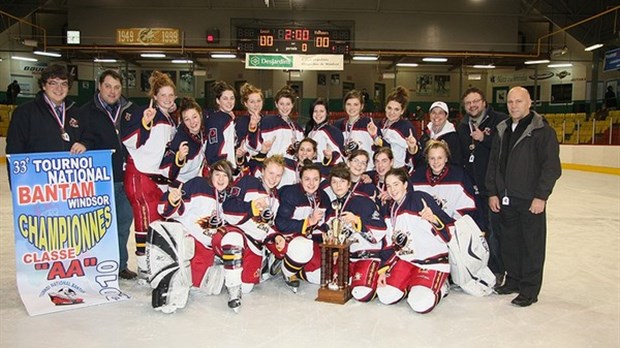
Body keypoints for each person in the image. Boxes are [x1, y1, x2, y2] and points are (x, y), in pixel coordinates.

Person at [485, 86, 561, 307]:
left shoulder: (542, 131)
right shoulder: (502, 129)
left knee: (531, 246)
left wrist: (541, 196)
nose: (514, 106)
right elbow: (494, 164)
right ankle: (514, 280)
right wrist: (493, 192)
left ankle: (529, 289)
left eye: (519, 101)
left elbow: (551, 168)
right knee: (510, 243)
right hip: (507, 199)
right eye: (510, 102)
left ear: (529, 103)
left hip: (530, 201)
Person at [78, 69, 137, 279]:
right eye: (108, 86)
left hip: (127, 180)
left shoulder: (131, 110)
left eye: (117, 87)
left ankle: (120, 265)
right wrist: (82, 143)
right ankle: (98, 265)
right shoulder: (85, 112)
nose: (113, 91)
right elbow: (82, 137)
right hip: (101, 181)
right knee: (99, 227)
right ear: (99, 86)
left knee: (122, 226)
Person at [121, 70, 178, 279]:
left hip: (155, 177)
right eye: (162, 95)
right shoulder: (146, 113)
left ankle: (152, 261)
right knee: (144, 221)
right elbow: (130, 139)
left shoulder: (168, 118)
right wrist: (144, 123)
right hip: (140, 174)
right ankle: (144, 265)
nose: (167, 99)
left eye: (171, 95)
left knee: (155, 220)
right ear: (154, 96)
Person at [376, 167, 454, 314]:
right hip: (406, 259)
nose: (392, 189)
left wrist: (433, 219)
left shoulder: (419, 198)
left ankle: (442, 286)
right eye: (389, 185)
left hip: (430, 261)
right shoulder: (389, 209)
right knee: (385, 295)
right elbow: (388, 241)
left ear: (405, 184)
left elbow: (449, 233)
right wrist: (383, 269)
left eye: (396, 184)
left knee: (419, 303)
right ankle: (412, 283)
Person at [457, 87, 508, 284]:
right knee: (475, 229)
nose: (472, 105)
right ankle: (476, 265)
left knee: (495, 230)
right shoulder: (462, 126)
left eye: (476, 101)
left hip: (492, 188)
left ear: (484, 102)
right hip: (472, 188)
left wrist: (484, 139)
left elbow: (506, 146)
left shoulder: (499, 120)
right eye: (468, 103)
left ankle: (497, 268)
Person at [324, 164, 386, 302]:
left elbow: (381, 229)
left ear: (349, 184)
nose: (338, 185)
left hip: (367, 255)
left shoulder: (363, 202)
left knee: (361, 294)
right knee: (332, 287)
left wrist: (357, 221)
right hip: (346, 257)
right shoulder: (332, 206)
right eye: (334, 182)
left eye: (342, 181)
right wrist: (334, 251)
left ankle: (368, 278)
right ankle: (353, 279)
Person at [7, 64, 86, 165]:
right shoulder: (24, 112)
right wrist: (18, 179)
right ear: (44, 85)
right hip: (37, 177)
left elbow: (89, 136)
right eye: (53, 83)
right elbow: (14, 149)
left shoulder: (77, 112)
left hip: (68, 176)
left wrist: (85, 143)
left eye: (64, 84)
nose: (59, 88)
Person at [275, 162, 332, 293]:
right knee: (302, 247)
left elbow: (322, 224)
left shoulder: (324, 197)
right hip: (285, 238)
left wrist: (325, 235)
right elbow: (281, 224)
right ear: (300, 179)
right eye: (307, 179)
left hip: (308, 240)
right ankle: (287, 272)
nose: (311, 183)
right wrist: (307, 222)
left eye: (315, 179)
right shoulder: (291, 193)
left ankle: (293, 265)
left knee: (321, 276)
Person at [409, 140, 481, 226]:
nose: (436, 162)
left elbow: (467, 208)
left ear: (446, 158)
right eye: (432, 158)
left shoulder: (459, 177)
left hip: (452, 229)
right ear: (427, 159)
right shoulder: (416, 177)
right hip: (425, 230)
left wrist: (451, 226)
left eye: (440, 158)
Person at [367, 86, 420, 170]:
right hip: (380, 169)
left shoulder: (406, 127)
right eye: (389, 108)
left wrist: (412, 147)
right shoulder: (380, 124)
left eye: (396, 109)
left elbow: (414, 153)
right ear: (385, 107)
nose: (392, 112)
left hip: (398, 171)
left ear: (402, 111)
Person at [160, 97, 207, 183]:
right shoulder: (181, 139)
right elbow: (165, 171)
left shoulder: (204, 128)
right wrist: (179, 159)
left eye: (194, 117)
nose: (192, 122)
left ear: (200, 114)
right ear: (183, 122)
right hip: (178, 186)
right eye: (187, 119)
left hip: (195, 182)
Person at [255, 85, 303, 159]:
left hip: (291, 167)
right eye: (281, 104)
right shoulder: (267, 122)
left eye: (288, 104)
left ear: (292, 105)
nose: (285, 107)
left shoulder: (297, 128)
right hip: (272, 166)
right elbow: (256, 145)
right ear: (276, 104)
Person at [333, 90, 376, 169]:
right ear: (344, 106)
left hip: (366, 171)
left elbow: (381, 147)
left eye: (355, 104)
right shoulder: (338, 125)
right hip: (346, 171)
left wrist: (375, 136)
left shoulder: (369, 123)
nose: (352, 108)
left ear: (361, 106)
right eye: (348, 104)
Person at [204, 81, 237, 173]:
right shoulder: (221, 119)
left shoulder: (218, 117)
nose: (229, 102)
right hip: (220, 167)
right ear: (218, 100)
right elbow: (215, 147)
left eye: (232, 98)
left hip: (221, 166)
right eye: (225, 98)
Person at [303, 98, 345, 164]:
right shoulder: (310, 132)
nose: (318, 114)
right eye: (315, 111)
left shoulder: (333, 132)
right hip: (312, 170)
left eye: (321, 111)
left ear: (327, 113)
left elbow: (340, 156)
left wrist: (330, 157)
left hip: (326, 172)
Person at [421, 101, 463, 167]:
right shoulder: (425, 135)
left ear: (446, 116)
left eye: (440, 113)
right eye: (433, 112)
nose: (436, 116)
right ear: (429, 115)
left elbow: (457, 162)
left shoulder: (453, 137)